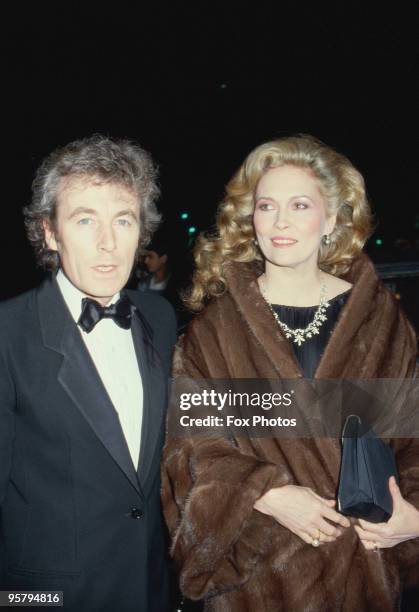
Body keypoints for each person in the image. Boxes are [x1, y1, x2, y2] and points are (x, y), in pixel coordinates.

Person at [162, 135, 419, 611]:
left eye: (299, 205)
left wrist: (413, 517)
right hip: (259, 582)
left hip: (362, 572)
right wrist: (265, 493)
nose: (279, 222)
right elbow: (189, 449)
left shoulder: (381, 323)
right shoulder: (214, 331)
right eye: (266, 206)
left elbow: (412, 440)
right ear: (250, 219)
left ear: (333, 218)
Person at [0, 135, 177, 611]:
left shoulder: (159, 318)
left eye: (123, 220)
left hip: (151, 590)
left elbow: (205, 423)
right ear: (50, 233)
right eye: (85, 220)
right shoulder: (7, 334)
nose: (108, 243)